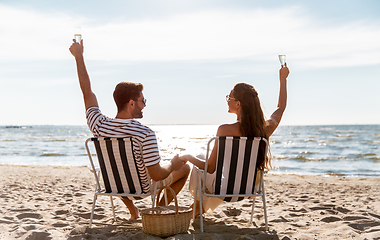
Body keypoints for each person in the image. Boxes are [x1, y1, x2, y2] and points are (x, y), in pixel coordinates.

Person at [69, 39, 190, 220]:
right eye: (143, 101)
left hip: (114, 185)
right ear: (131, 103)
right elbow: (157, 176)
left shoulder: (99, 125)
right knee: (185, 168)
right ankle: (158, 209)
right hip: (143, 189)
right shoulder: (145, 134)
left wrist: (79, 57)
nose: (144, 105)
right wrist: (173, 165)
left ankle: (133, 211)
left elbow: (86, 91)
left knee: (119, 168)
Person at [180, 63, 290, 216]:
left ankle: (198, 208)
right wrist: (283, 79)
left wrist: (187, 157)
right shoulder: (263, 129)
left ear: (238, 104)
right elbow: (281, 107)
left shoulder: (224, 130)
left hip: (224, 190)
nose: (227, 100)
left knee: (199, 165)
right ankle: (199, 208)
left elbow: (210, 168)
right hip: (250, 189)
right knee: (225, 175)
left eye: (229, 97)